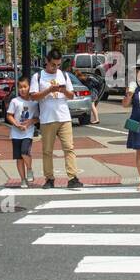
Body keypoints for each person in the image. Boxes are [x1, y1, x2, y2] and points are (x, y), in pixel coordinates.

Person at [29, 48, 82, 189]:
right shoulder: (38, 77)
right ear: (47, 61)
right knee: (47, 150)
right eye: (53, 65)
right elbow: (33, 96)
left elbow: (71, 95)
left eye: (58, 65)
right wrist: (49, 90)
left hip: (64, 116)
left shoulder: (64, 75)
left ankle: (72, 177)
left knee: (69, 148)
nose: (55, 68)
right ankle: (49, 178)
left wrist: (63, 90)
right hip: (47, 118)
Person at [5, 76, 37, 187]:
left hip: (28, 132)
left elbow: (37, 117)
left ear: (29, 87)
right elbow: (9, 115)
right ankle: (23, 179)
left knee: (25, 152)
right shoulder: (15, 101)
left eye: (25, 87)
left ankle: (29, 169)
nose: (22, 89)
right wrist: (16, 124)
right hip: (16, 133)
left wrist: (29, 123)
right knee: (19, 157)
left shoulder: (34, 102)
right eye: (20, 87)